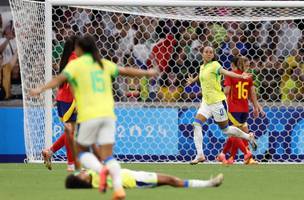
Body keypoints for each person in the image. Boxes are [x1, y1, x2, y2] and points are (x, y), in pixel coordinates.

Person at [30, 35, 157, 200]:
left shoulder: (75, 61)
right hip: (93, 108)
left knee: (75, 135)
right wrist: (148, 73)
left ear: (81, 48)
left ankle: (67, 160)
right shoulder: (99, 63)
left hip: (72, 101)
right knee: (79, 136)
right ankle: (77, 168)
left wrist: (40, 89)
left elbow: (59, 79)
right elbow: (125, 71)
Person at [186, 46, 257, 165]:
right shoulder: (202, 67)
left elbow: (226, 72)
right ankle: (200, 155)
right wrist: (193, 80)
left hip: (218, 102)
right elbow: (201, 75)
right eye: (206, 52)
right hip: (206, 102)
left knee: (226, 130)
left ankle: (248, 137)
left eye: (211, 52)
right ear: (202, 54)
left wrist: (240, 76)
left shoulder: (215, 65)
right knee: (196, 124)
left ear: (213, 55)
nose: (208, 54)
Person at [217, 56, 265, 165]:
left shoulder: (231, 75)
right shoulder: (248, 77)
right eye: (247, 66)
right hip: (244, 109)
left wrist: (217, 101)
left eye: (248, 66)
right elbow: (252, 93)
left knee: (235, 134)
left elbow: (226, 92)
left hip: (233, 109)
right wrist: (256, 106)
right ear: (241, 65)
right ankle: (233, 158)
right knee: (242, 133)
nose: (248, 68)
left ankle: (244, 154)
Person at [42, 35, 80, 172]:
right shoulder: (75, 58)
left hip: (61, 98)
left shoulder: (66, 58)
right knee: (71, 132)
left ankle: (50, 151)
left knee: (71, 131)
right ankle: (71, 164)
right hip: (71, 99)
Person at [65, 168, 224, 189]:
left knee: (171, 181)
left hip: (135, 175)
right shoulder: (95, 180)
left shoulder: (91, 175)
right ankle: (209, 183)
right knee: (172, 180)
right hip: (136, 180)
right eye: (79, 175)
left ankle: (209, 183)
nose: (81, 172)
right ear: (82, 181)